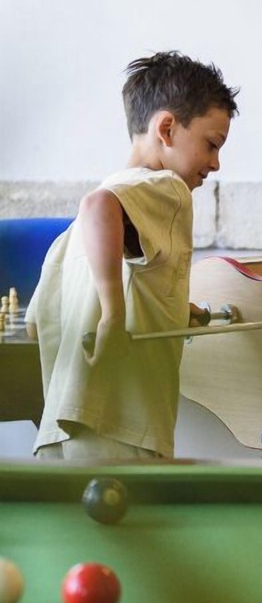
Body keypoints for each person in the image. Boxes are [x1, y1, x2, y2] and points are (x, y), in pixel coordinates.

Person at [26, 51, 238, 460]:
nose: (215, 163)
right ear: (167, 128)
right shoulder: (167, 188)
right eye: (211, 144)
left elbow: (38, 323)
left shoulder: (72, 237)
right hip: (123, 426)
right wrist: (113, 315)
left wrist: (167, 310)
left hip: (60, 430)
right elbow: (99, 206)